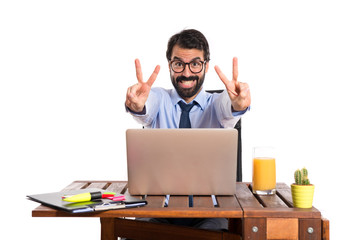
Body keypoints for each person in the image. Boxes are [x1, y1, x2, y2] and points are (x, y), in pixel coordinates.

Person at [125, 29, 251, 231]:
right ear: (170, 66)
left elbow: (227, 108)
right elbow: (145, 109)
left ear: (206, 66)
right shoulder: (158, 98)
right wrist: (137, 106)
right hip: (158, 211)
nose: (186, 73)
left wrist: (238, 104)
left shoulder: (216, 104)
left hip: (211, 213)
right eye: (178, 64)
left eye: (195, 64)